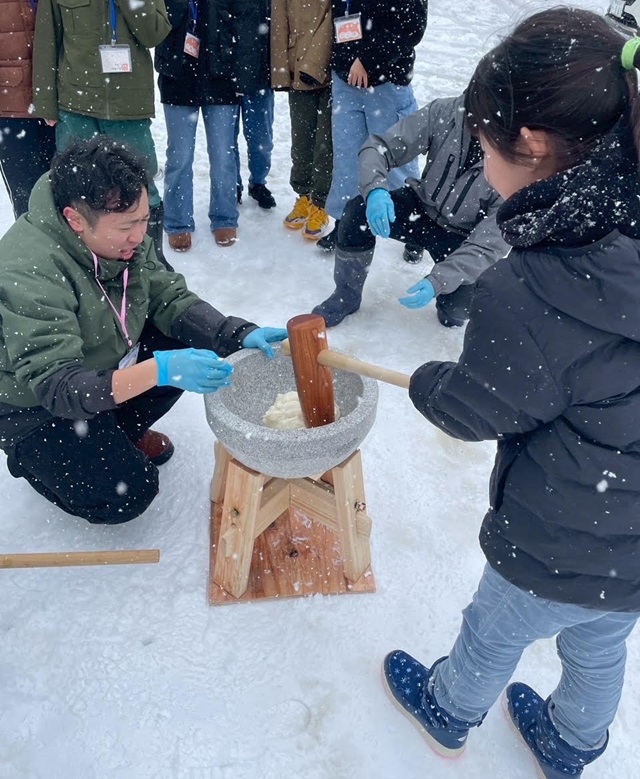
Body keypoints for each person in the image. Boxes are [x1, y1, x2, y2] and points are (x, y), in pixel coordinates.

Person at [382, 9, 640, 777]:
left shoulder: (534, 287)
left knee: (496, 628)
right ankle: (573, 740)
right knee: (600, 643)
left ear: (527, 146)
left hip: (562, 535)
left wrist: (434, 384)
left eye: (483, 145)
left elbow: (477, 406)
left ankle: (449, 709)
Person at [0, 138, 286, 524]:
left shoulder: (122, 236)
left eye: (143, 219)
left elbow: (166, 294)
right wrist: (158, 370)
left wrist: (233, 333)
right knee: (126, 494)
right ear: (75, 219)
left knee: (188, 336)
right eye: (126, 226)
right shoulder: (29, 271)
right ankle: (40, 460)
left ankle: (113, 433)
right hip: (36, 405)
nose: (140, 235)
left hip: (102, 359)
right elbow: (57, 388)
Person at [312, 94, 508, 327]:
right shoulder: (447, 111)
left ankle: (450, 301)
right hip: (422, 207)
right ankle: (346, 295)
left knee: (455, 315)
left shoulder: (521, 162)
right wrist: (375, 190)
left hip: (462, 236)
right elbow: (380, 146)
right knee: (357, 211)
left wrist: (439, 281)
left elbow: (487, 246)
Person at [32, 0, 172, 267]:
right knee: (74, 188)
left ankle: (150, 264)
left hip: (128, 107)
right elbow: (48, 40)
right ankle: (82, 265)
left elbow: (154, 33)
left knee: (141, 187)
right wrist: (46, 102)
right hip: (75, 106)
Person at [320, 0, 427, 258]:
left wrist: (367, 59)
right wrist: (345, 60)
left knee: (397, 157)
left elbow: (412, 27)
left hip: (386, 81)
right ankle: (346, 221)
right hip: (345, 79)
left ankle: (415, 226)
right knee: (347, 157)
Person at [155, 0, 246, 251]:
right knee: (179, 156)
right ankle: (178, 222)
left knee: (222, 155)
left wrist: (241, 69)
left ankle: (224, 217)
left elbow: (243, 23)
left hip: (222, 76)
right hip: (177, 75)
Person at [272, 0, 334, 241]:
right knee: (301, 140)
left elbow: (333, 18)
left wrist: (314, 64)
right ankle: (304, 195)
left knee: (325, 144)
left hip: (328, 69)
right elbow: (279, 24)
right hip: (296, 66)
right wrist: (281, 71)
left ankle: (320, 202)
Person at [0, 0, 56, 220]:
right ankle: (33, 251)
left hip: (61, 102)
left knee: (67, 195)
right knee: (27, 198)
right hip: (10, 109)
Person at [234, 0, 276, 211]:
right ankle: (232, 185)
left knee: (261, 139)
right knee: (225, 142)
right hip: (226, 73)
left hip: (261, 74)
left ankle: (258, 182)